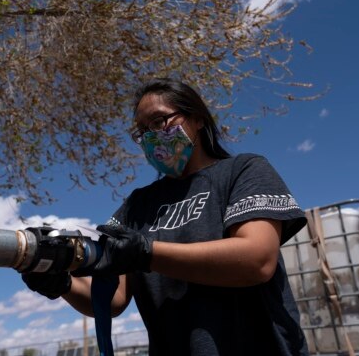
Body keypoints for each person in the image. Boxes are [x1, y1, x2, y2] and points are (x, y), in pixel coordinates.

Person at [22, 78, 309, 355]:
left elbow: (257, 260)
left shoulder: (243, 171)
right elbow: (115, 298)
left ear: (198, 118)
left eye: (159, 121)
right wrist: (62, 284)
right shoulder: (137, 205)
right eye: (142, 131)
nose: (152, 136)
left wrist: (147, 253)